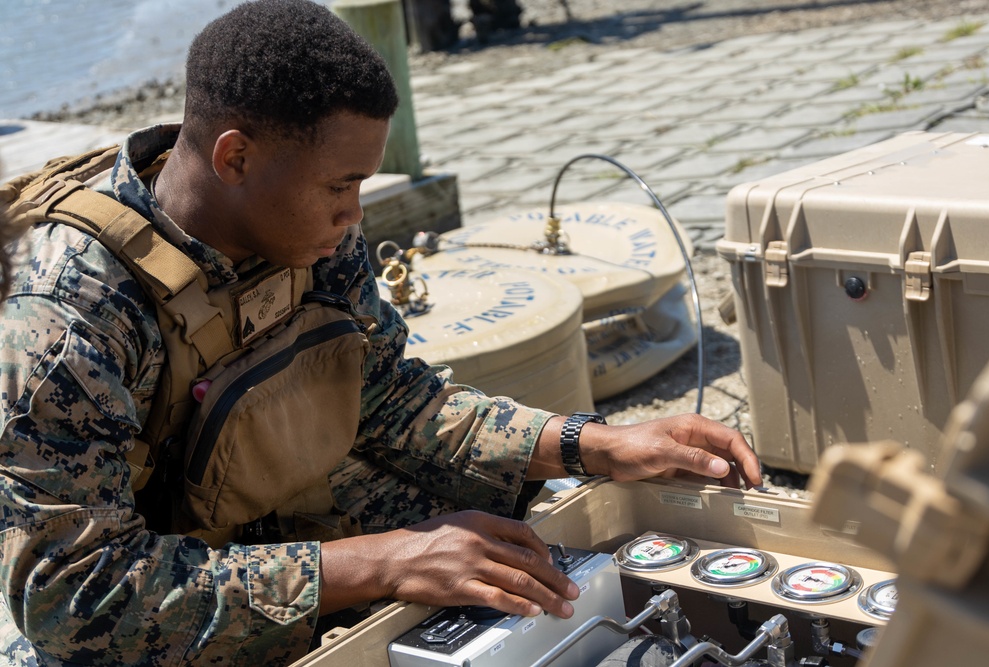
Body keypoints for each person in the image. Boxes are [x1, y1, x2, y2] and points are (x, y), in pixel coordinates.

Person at [0, 1, 761, 664]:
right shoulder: (66, 321)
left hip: (257, 514)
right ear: (235, 156)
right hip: (137, 575)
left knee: (524, 527)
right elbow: (74, 598)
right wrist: (384, 562)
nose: (355, 215)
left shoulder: (305, 226)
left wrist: (591, 443)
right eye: (341, 186)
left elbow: (393, 399)